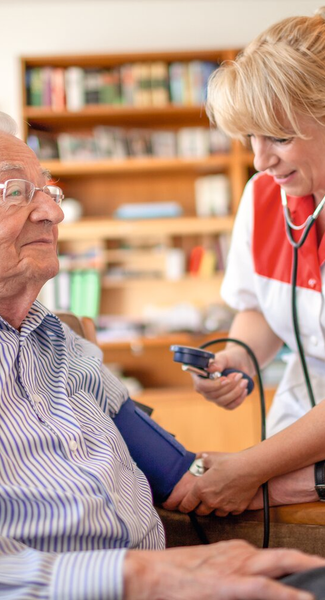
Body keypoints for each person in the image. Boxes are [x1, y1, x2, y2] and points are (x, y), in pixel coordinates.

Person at [0, 112, 322, 599]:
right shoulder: (266, 201)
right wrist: (143, 576)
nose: (53, 212)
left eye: (50, 190)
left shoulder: (66, 349)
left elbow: (186, 479)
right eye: (17, 193)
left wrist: (316, 479)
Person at [163, 6, 325, 522]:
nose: (260, 160)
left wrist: (252, 470)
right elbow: (258, 309)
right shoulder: (264, 197)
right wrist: (235, 358)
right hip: (296, 428)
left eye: (278, 137)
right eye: (250, 137)